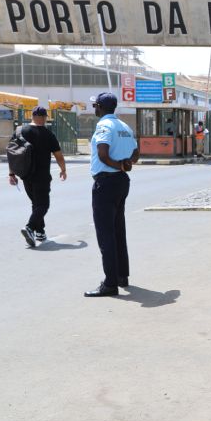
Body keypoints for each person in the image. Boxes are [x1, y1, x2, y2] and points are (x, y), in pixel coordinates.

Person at [84, 93, 139, 298]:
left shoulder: (104, 126)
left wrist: (119, 166)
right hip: (121, 182)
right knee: (118, 230)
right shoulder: (125, 127)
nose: (93, 108)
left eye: (94, 105)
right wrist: (126, 165)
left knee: (105, 234)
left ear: (100, 106)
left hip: (106, 182)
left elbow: (103, 154)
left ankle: (110, 283)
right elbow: (135, 152)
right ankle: (122, 276)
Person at [9, 106, 66, 247]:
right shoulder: (48, 134)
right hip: (41, 176)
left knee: (36, 204)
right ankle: (29, 227)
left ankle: (40, 232)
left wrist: (11, 173)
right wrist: (63, 169)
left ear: (32, 116)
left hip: (25, 175)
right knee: (43, 205)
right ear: (45, 118)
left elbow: (12, 154)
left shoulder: (20, 131)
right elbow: (58, 155)